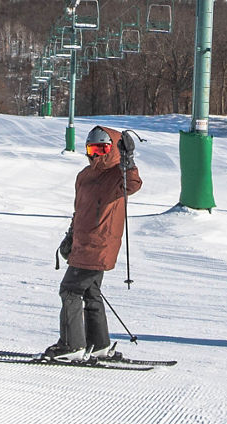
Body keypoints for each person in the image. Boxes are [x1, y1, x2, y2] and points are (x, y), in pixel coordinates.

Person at [43, 126, 143, 363]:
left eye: (102, 149)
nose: (96, 155)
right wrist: (70, 237)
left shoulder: (118, 175)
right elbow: (79, 211)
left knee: (70, 290)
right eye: (92, 149)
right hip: (83, 243)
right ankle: (98, 346)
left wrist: (128, 160)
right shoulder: (84, 176)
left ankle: (71, 346)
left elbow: (133, 184)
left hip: (100, 244)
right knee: (90, 291)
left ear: (112, 150)